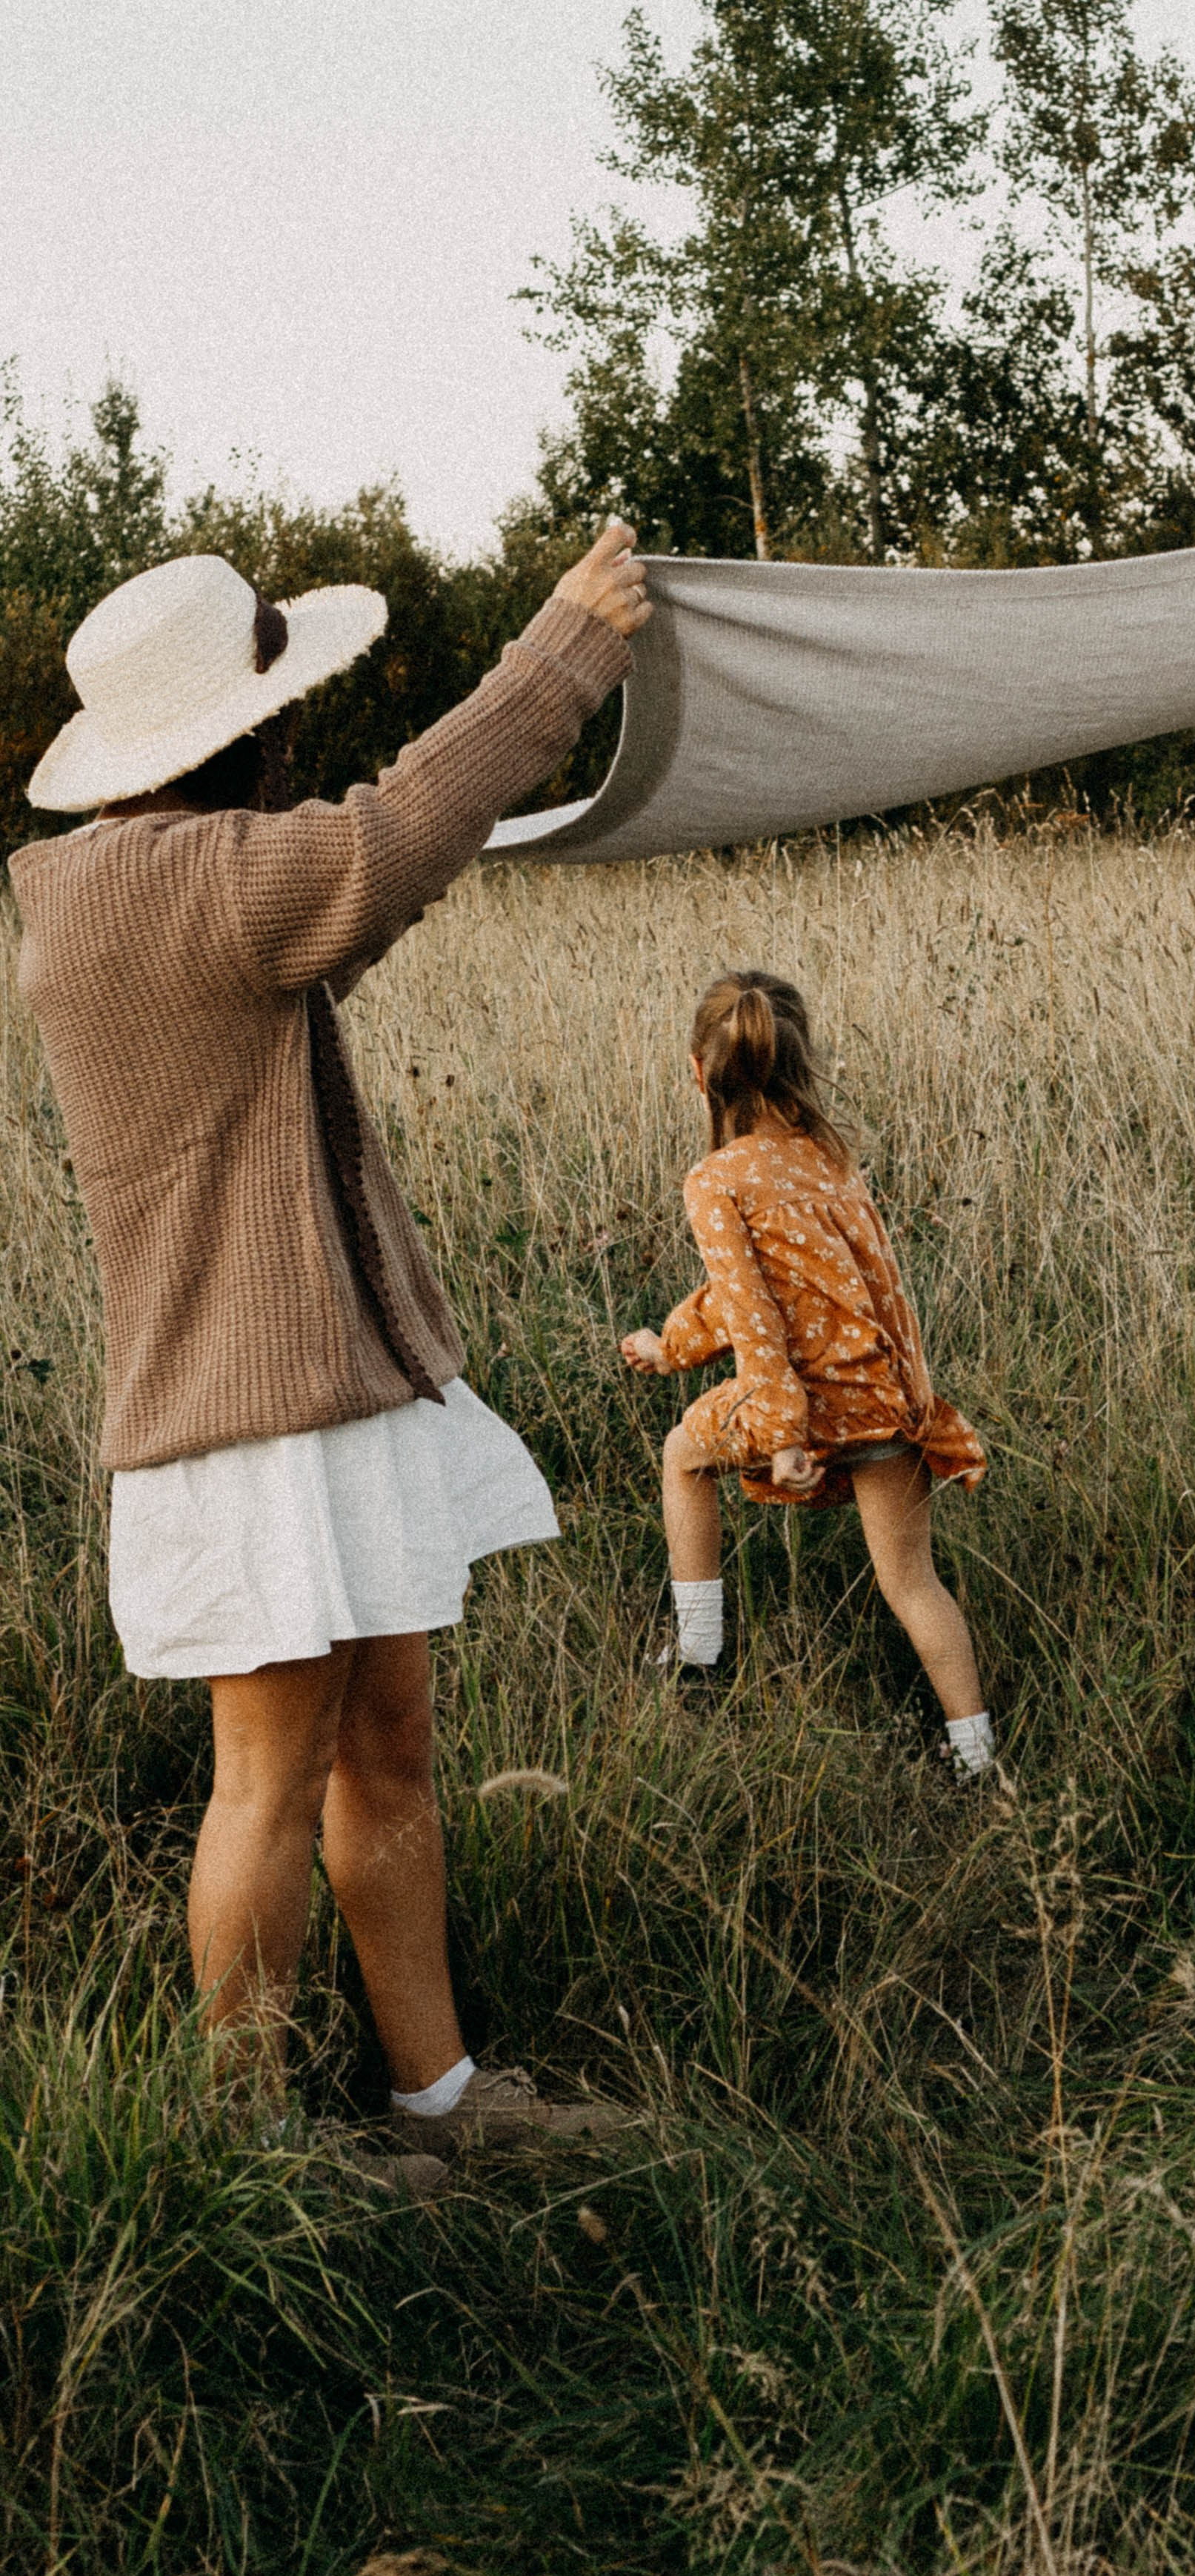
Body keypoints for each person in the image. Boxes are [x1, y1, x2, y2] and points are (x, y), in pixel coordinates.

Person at [9, 522, 651, 2186]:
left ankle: (445, 2104)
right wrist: (565, 651)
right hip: (252, 1419)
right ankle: (246, 2154)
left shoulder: (135, 882)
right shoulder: (182, 888)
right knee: (267, 1784)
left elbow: (354, 866)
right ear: (240, 730)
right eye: (281, 707)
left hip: (325, 1395)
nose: (302, 732)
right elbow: (400, 835)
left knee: (386, 1753)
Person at [619, 971, 996, 1777]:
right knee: (911, 1582)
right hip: (888, 1398)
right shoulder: (827, 1157)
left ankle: (697, 1653)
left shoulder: (715, 1180)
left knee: (683, 1454)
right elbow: (822, 1290)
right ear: (801, 1061)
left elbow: (754, 1318)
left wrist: (783, 1433)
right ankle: (975, 1754)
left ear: (697, 1070)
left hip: (803, 1401)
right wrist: (673, 1345)